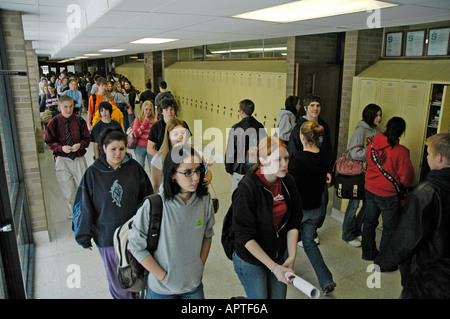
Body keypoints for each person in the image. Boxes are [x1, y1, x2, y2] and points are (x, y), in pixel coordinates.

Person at [128, 144, 215, 299]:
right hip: (162, 289)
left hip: (193, 286)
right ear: (173, 174)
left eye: (198, 170)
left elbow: (207, 236)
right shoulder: (154, 204)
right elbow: (136, 247)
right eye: (188, 172)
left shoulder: (204, 200)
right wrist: (163, 277)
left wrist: (199, 267)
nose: (195, 177)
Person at [73, 128, 153, 299]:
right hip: (108, 238)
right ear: (104, 148)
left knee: (138, 275)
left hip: (134, 235)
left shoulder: (134, 169)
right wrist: (83, 236)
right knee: (119, 281)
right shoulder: (93, 173)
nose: (118, 153)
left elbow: (147, 199)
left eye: (122, 149)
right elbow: (84, 205)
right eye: (113, 149)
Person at [375, 133, 450, 297]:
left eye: (429, 154)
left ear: (439, 157)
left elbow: (407, 235)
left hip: (427, 275)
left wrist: (384, 262)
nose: (427, 158)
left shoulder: (426, 193)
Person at [231, 136, 302, 299]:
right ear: (262, 160)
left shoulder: (287, 182)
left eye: (286, 158)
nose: (284, 164)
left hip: (277, 253)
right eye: (278, 159)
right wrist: (274, 268)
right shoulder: (247, 189)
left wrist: (291, 256)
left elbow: (294, 222)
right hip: (251, 258)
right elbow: (244, 236)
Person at [288, 121, 336, 295]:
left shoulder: (298, 159)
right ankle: (326, 280)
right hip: (316, 209)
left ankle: (286, 271)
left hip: (299, 211)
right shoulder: (324, 158)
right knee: (309, 243)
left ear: (302, 137)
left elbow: (291, 187)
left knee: (287, 240)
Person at [362, 117, 414, 260]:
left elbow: (368, 160)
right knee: (389, 228)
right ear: (402, 132)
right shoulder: (401, 151)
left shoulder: (373, 143)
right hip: (388, 195)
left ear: (386, 127)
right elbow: (407, 178)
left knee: (369, 222)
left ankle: (368, 253)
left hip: (370, 189)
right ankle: (383, 260)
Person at [287, 94, 333, 244]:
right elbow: (294, 153)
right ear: (306, 108)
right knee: (302, 203)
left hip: (320, 171)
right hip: (304, 173)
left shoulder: (324, 126)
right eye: (312, 105)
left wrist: (329, 170)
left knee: (322, 202)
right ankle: (301, 234)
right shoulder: (298, 129)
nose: (315, 108)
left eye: (318, 105)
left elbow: (327, 150)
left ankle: (312, 230)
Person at [342, 103, 382, 247]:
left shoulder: (377, 130)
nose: (379, 118)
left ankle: (356, 230)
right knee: (354, 204)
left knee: (367, 204)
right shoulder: (361, 130)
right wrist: (371, 155)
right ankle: (347, 234)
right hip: (358, 173)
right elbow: (354, 152)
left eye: (380, 115)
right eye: (377, 115)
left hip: (371, 174)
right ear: (370, 115)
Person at [44, 95, 91, 219]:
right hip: (62, 160)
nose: (68, 110)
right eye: (65, 107)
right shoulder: (53, 123)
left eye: (70, 106)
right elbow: (49, 142)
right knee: (68, 191)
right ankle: (73, 215)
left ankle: (86, 213)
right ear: (59, 107)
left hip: (79, 159)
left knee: (84, 187)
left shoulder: (80, 121)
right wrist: (61, 148)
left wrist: (80, 145)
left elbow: (87, 138)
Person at [225, 99, 267, 192]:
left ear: (242, 111)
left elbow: (230, 152)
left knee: (237, 196)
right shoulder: (260, 127)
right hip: (255, 170)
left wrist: (229, 168)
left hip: (239, 170)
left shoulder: (236, 128)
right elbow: (264, 149)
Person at [150, 118, 189, 194]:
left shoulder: (191, 154)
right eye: (175, 134)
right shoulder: (158, 159)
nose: (180, 137)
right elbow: (156, 188)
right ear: (168, 136)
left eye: (182, 133)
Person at [133, 100, 157, 170]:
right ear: (143, 109)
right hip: (140, 147)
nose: (148, 112)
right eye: (146, 109)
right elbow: (136, 134)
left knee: (152, 167)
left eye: (150, 110)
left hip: (151, 147)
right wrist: (144, 123)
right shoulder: (138, 119)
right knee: (140, 167)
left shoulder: (155, 120)